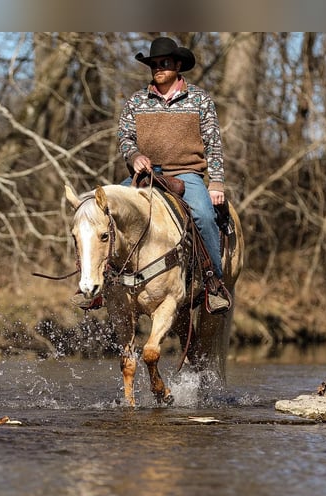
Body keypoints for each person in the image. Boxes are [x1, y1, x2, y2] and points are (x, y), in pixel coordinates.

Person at [72, 36, 231, 314]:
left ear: (178, 65)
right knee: (100, 213)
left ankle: (213, 282)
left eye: (164, 63)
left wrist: (216, 181)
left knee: (204, 216)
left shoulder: (200, 100)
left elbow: (213, 143)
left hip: (187, 174)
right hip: (144, 178)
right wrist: (134, 157)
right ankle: (96, 284)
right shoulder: (136, 101)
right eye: (154, 64)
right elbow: (125, 138)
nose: (158, 68)